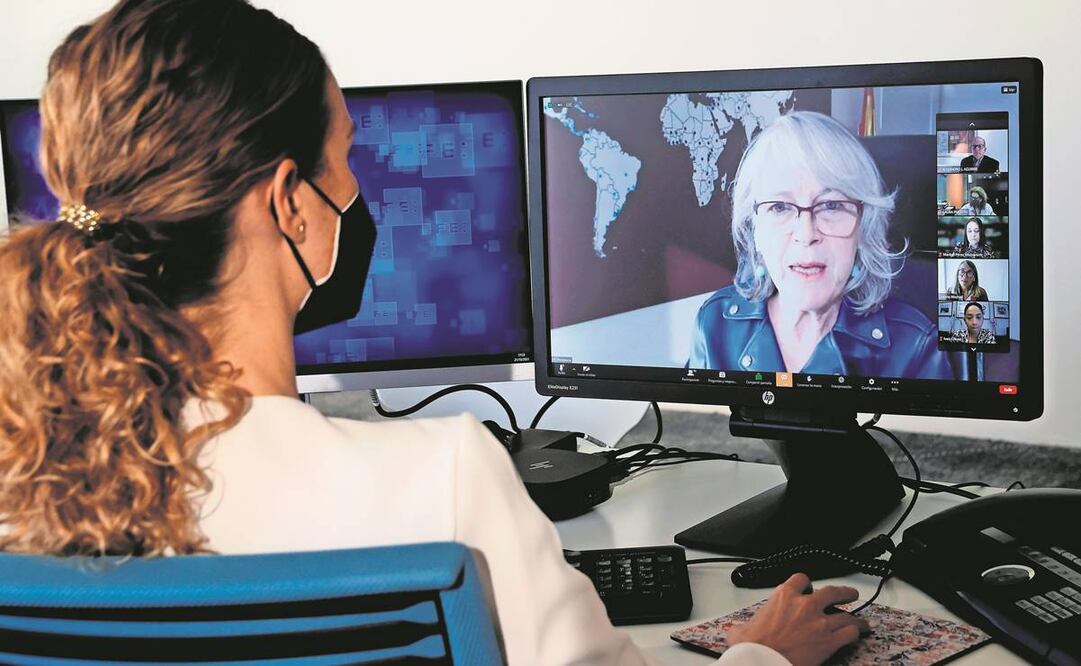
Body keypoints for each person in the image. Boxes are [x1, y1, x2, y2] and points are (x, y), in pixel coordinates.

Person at [0, 2, 869, 665]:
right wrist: (763, 654)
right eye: (346, 155)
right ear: (291, 203)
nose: (355, 189)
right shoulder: (440, 479)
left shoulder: (22, 474)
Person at [690, 111, 951, 380]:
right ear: (754, 229)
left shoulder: (915, 350)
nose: (806, 234)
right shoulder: (714, 324)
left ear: (864, 227)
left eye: (831, 205)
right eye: (780, 207)